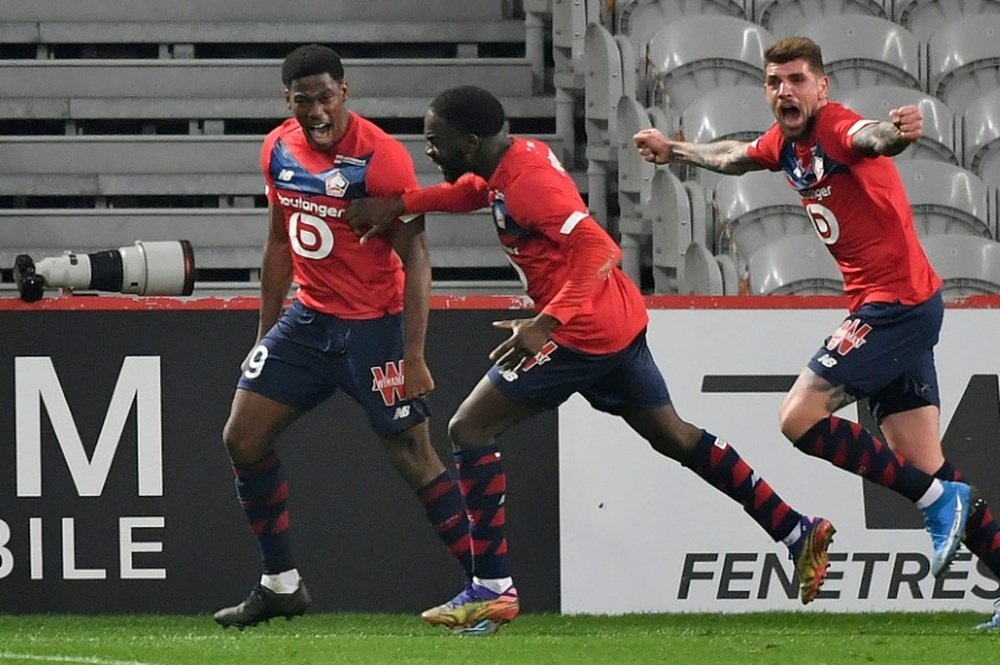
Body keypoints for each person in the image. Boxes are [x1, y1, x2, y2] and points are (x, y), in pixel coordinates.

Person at [347, 84, 838, 635]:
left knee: (469, 428)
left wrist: (545, 323)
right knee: (674, 436)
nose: (429, 151)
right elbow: (470, 191)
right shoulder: (511, 161)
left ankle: (492, 589)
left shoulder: (528, 183)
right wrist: (405, 203)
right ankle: (796, 529)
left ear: (470, 139)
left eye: (435, 142)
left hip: (580, 333)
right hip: (616, 319)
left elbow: (601, 249)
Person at [634, 35, 1000, 628]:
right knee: (925, 462)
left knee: (797, 418)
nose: (786, 91)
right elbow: (734, 156)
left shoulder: (834, 128)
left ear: (822, 87)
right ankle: (962, 522)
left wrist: (897, 134)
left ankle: (938, 503)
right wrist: (673, 147)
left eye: (798, 79)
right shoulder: (786, 143)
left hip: (894, 307)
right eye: (775, 82)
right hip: (901, 305)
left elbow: (869, 137)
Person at [213, 45, 478, 629]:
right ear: (288, 101)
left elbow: (418, 256)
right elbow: (280, 241)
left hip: (373, 329)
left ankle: (487, 586)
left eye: (325, 97)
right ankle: (280, 584)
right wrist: (264, 333)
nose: (315, 110)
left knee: (413, 454)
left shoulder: (380, 158)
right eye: (302, 100)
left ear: (345, 92)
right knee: (242, 439)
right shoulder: (278, 148)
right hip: (306, 323)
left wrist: (412, 352)